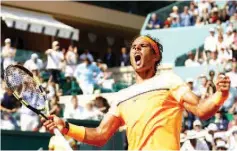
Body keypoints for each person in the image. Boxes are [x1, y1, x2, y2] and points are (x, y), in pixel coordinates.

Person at [42, 35, 230, 150]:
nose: (136, 49)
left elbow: (202, 109)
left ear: (156, 56)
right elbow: (100, 135)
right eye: (133, 48)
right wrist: (66, 126)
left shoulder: (170, 81)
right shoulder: (122, 96)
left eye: (143, 46)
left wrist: (220, 95)